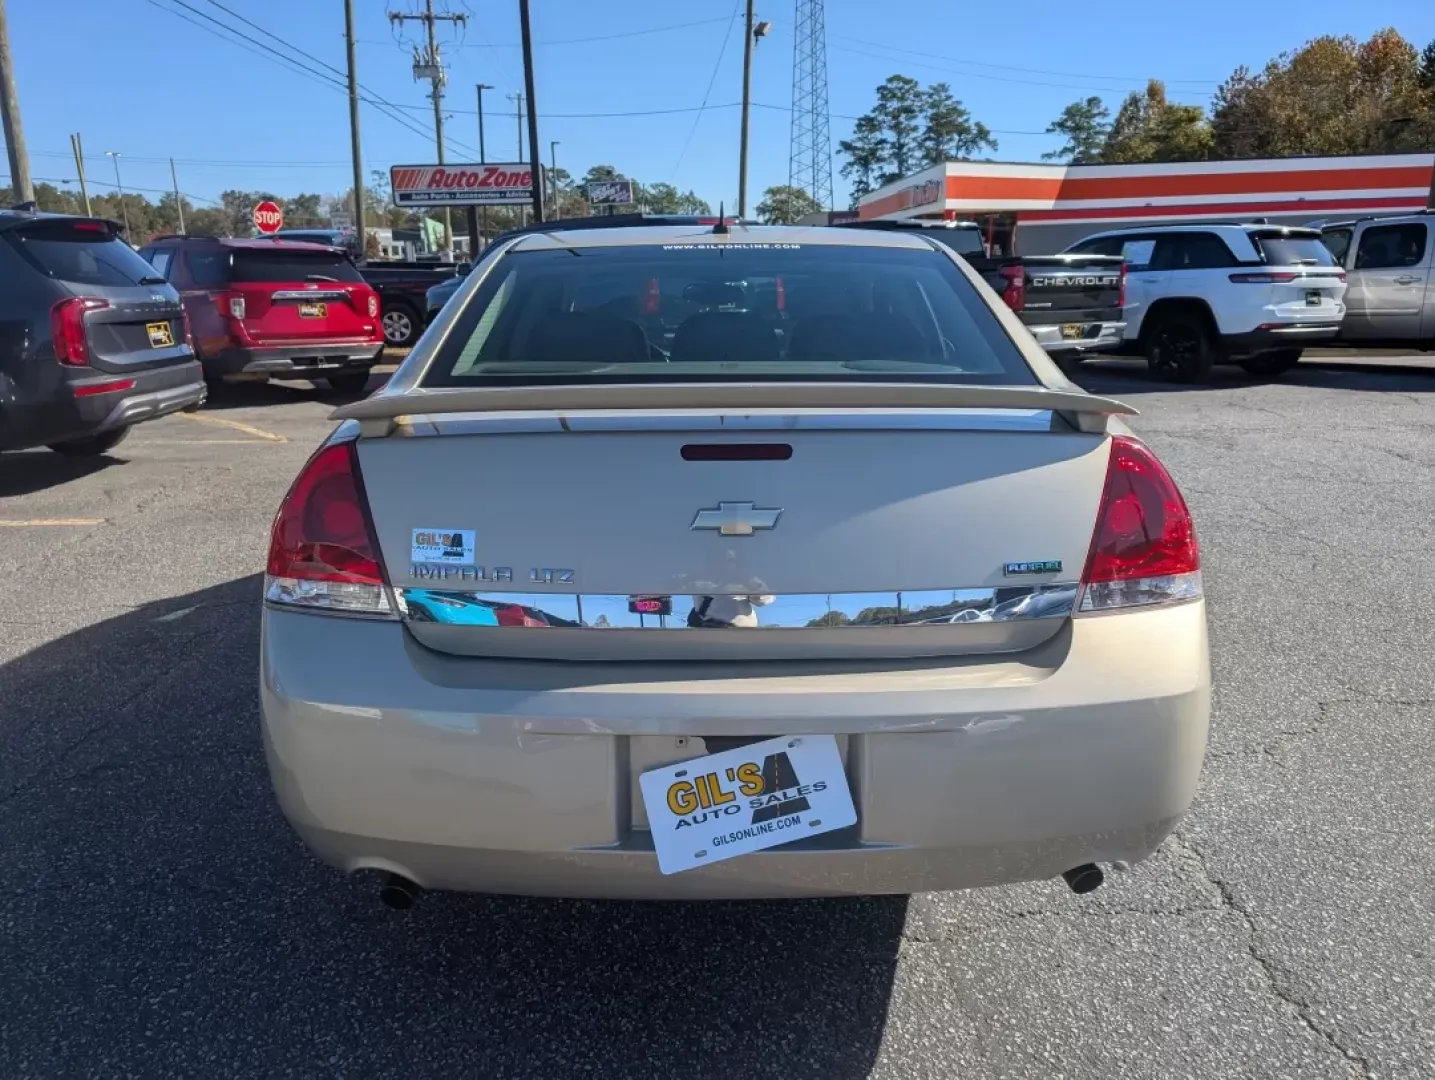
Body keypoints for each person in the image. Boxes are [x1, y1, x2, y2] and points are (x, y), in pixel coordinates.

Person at [687, 594, 776, 628]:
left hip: (740, 634)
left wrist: (756, 594)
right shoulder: (700, 580)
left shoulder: (746, 579)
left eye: (732, 560)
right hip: (708, 632)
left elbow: (764, 599)